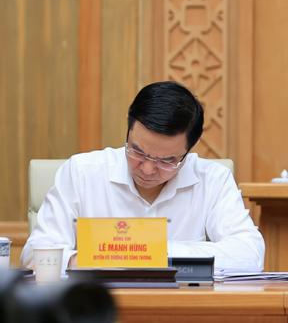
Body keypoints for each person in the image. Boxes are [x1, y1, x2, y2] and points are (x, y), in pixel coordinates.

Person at [22, 81, 265, 272]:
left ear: (188, 151)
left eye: (166, 161)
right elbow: (35, 253)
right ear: (128, 132)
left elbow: (249, 254)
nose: (147, 169)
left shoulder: (213, 180)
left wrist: (149, 252)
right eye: (137, 151)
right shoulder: (81, 172)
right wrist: (84, 260)